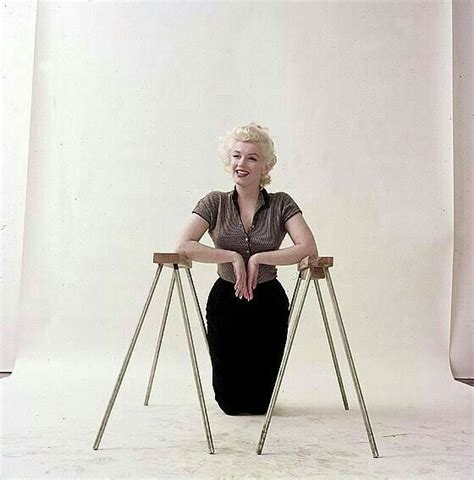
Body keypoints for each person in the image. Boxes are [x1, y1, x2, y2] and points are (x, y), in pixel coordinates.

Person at [175, 123, 318, 415]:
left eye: (252, 157)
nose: (242, 164)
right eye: (237, 156)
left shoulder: (281, 204)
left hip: (268, 302)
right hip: (226, 301)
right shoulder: (214, 202)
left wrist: (258, 259)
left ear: (264, 165)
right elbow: (184, 245)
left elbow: (307, 247)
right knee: (230, 404)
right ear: (229, 160)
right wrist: (232, 257)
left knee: (261, 403)